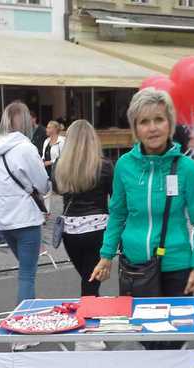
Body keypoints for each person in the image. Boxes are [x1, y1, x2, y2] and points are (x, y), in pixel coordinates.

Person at [90, 88, 194, 350]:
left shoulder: (186, 168)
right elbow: (118, 213)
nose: (152, 128)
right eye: (144, 122)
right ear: (135, 128)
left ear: (170, 123)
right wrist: (106, 254)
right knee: (146, 337)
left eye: (159, 119)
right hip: (136, 268)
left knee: (170, 342)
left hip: (175, 268)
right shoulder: (124, 165)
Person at [0, 101, 51, 351]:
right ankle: (22, 331)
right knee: (27, 275)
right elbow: (43, 183)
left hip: (5, 221)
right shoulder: (26, 148)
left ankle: (31, 316)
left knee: (26, 273)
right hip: (25, 218)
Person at [52, 120, 113, 352]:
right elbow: (115, 197)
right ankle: (86, 333)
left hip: (70, 231)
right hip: (97, 228)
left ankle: (89, 326)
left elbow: (57, 189)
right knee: (91, 281)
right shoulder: (104, 166)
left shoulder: (60, 165)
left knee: (87, 278)